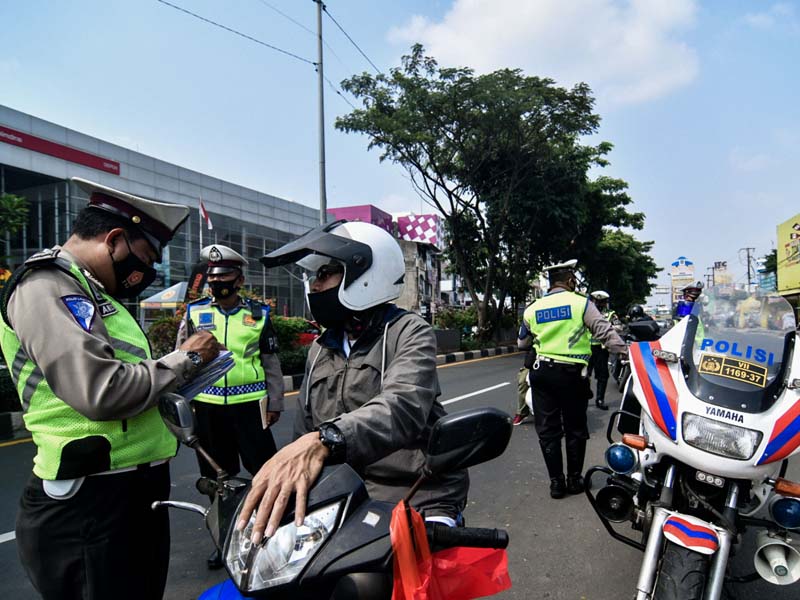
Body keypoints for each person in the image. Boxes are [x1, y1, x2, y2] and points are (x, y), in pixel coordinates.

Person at [0, 178, 222, 600]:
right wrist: (186, 358)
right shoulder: (47, 285)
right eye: (146, 257)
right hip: (87, 504)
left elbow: (132, 378)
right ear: (115, 239)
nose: (149, 273)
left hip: (130, 497)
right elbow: (101, 391)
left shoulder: (97, 293)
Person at [236, 220, 469, 545]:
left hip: (417, 491)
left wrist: (327, 439)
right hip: (345, 496)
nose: (314, 287)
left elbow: (402, 407)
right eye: (315, 277)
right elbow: (304, 435)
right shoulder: (319, 348)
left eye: (325, 274)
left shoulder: (408, 332)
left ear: (365, 275)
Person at [176, 244, 284, 568]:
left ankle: (267, 536)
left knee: (264, 472)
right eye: (213, 276)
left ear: (239, 279)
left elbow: (271, 361)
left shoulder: (258, 314)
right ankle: (224, 541)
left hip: (249, 406)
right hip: (207, 409)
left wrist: (275, 401)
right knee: (217, 481)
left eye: (224, 275)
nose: (217, 281)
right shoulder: (194, 313)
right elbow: (180, 358)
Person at [519, 260, 625, 499]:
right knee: (575, 428)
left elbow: (522, 343)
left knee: (548, 430)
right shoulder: (580, 303)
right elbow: (605, 333)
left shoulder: (533, 308)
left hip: (542, 373)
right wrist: (630, 352)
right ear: (569, 280)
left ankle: (556, 483)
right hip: (571, 376)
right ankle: (574, 480)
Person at [586, 290, 619, 411]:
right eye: (596, 301)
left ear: (605, 303)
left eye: (601, 302)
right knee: (584, 374)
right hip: (586, 348)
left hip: (601, 348)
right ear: (592, 301)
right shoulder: (585, 313)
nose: (599, 304)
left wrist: (609, 326)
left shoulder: (610, 314)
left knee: (602, 375)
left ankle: (600, 399)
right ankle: (584, 396)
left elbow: (619, 327)